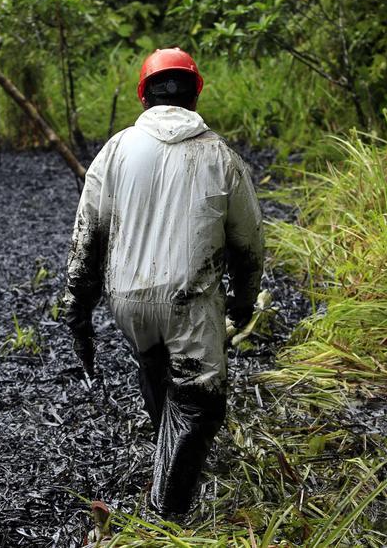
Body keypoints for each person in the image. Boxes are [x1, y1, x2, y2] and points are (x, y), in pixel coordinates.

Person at [61, 47, 265, 518]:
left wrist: (79, 310)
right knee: (200, 404)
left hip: (127, 300)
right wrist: (243, 301)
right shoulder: (218, 155)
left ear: (143, 95)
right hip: (189, 300)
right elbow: (249, 242)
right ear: (196, 93)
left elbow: (86, 235)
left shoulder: (116, 150)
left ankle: (164, 452)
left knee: (154, 365)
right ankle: (165, 514)